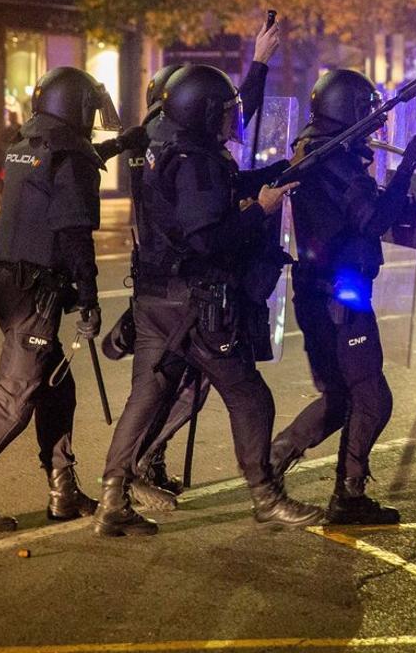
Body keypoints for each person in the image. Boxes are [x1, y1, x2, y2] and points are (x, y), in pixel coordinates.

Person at [93, 63, 323, 537]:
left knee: (148, 396)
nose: (228, 120)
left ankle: (113, 497)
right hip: (194, 304)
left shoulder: (170, 146)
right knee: (249, 395)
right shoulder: (196, 161)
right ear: (201, 113)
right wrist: (261, 212)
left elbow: (223, 190)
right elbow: (208, 238)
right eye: (222, 112)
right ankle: (265, 495)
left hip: (155, 300)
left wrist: (284, 170)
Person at [0, 66, 122, 533]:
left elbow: (66, 173)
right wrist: (89, 297)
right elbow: (74, 231)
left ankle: (63, 489)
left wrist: (123, 145)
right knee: (17, 394)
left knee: (56, 385)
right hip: (36, 293)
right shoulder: (71, 156)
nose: (92, 116)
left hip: (7, 282)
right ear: (74, 108)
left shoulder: (30, 145)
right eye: (88, 107)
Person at [269, 69, 416, 525]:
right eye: (367, 111)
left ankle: (279, 463)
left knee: (343, 396)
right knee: (372, 399)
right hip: (341, 293)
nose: (375, 125)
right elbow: (372, 219)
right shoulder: (333, 160)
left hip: (320, 290)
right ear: (350, 110)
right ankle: (347, 495)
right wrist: (403, 176)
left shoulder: (315, 150)